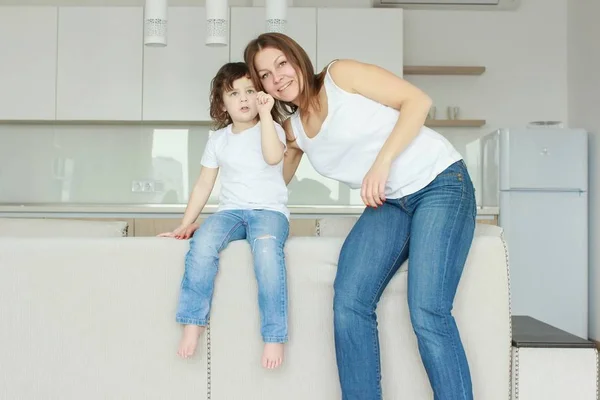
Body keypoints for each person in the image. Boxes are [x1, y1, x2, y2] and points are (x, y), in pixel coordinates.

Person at [244, 33, 477, 399]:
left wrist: (381, 164)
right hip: (390, 202)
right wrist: (219, 220)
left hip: (440, 182)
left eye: (282, 64)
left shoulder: (341, 75)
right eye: (265, 75)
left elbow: (417, 101)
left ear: (297, 59)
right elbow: (269, 185)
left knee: (427, 311)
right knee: (349, 301)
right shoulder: (295, 132)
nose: (277, 77)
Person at [158, 62, 290, 370]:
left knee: (268, 254)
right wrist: (186, 222)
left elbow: (273, 157)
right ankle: (192, 322)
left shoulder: (274, 129)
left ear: (261, 96)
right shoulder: (218, 139)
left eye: (249, 91)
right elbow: (204, 184)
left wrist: (268, 115)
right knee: (202, 245)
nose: (243, 99)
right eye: (234, 93)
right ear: (222, 102)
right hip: (230, 212)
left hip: (269, 212)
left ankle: (274, 336)